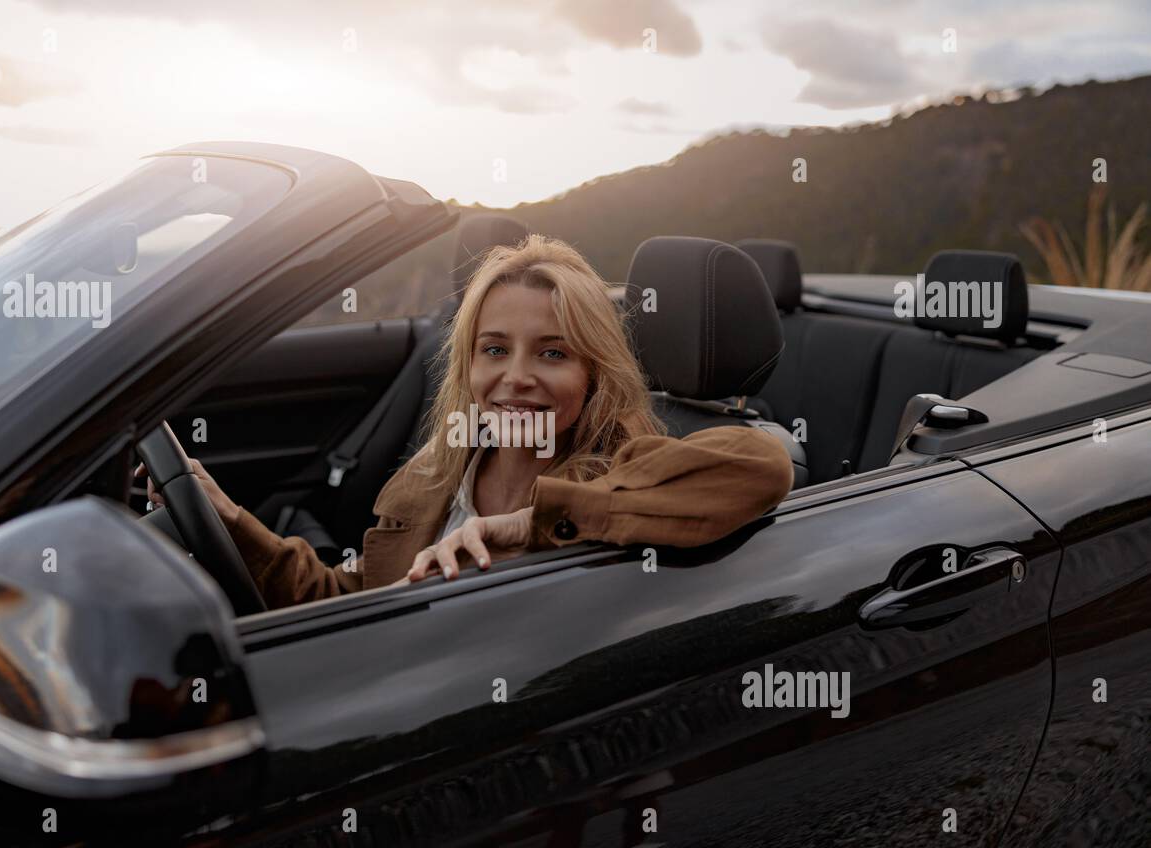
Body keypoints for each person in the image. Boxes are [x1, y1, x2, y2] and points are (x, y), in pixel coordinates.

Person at [142, 235, 794, 610]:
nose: (515, 376)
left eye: (553, 353)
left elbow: (762, 464)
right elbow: (357, 606)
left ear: (594, 374)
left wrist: (527, 522)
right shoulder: (433, 476)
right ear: (467, 366)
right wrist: (232, 524)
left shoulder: (626, 473)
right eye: (494, 349)